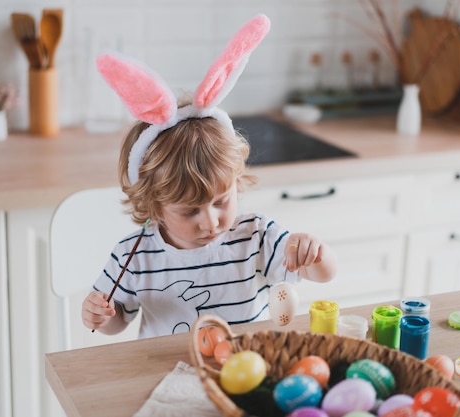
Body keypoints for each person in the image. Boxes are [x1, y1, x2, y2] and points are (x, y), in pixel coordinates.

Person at [81, 14, 338, 339]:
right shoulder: (135, 255)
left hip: (244, 375)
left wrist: (316, 252)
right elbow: (116, 322)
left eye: (221, 201)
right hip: (167, 377)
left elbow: (325, 274)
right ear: (154, 204)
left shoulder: (257, 237)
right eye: (190, 211)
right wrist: (100, 315)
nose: (211, 222)